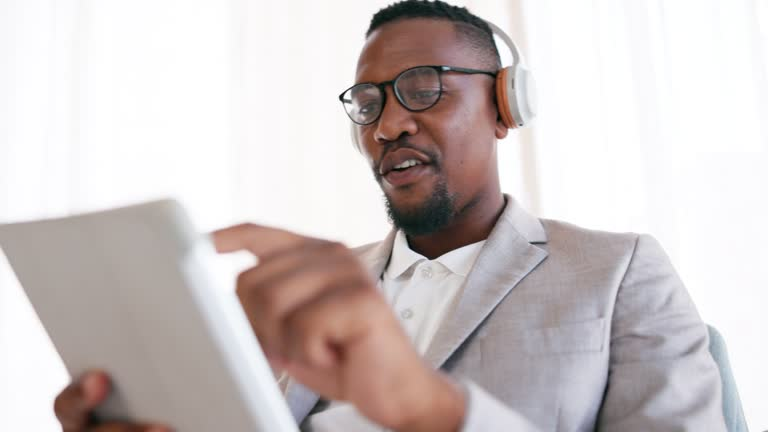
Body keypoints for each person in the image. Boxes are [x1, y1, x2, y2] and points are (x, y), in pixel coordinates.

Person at [52, 1, 727, 431]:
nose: (390, 123)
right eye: (368, 102)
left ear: (504, 107)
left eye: (424, 88)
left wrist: (428, 412)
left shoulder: (618, 270)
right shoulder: (304, 292)